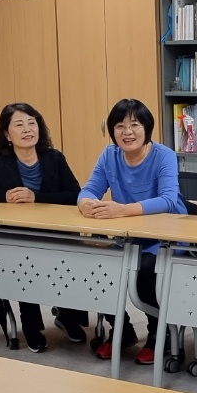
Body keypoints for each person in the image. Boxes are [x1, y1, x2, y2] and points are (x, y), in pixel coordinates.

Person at [0, 102, 87, 352]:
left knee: (75, 258)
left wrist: (36, 197)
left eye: (32, 123)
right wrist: (3, 195)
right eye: (19, 125)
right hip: (17, 236)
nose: (28, 129)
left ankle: (67, 316)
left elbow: (75, 194)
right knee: (23, 261)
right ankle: (31, 326)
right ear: (7, 135)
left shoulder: (54, 158)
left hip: (57, 233)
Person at [77, 98, 185, 365]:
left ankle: (159, 335)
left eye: (135, 125)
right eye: (120, 126)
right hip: (127, 237)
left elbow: (169, 200)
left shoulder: (164, 155)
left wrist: (123, 210)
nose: (127, 132)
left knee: (145, 273)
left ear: (147, 127)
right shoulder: (109, 155)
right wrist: (85, 203)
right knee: (97, 268)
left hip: (165, 238)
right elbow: (89, 189)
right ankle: (122, 331)